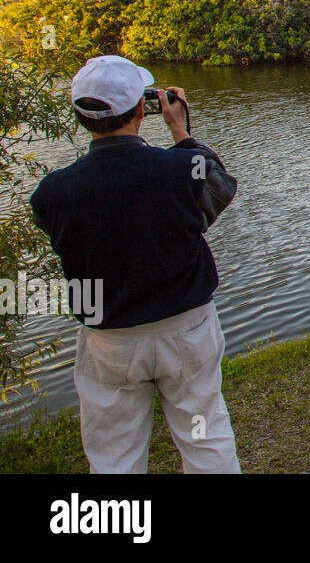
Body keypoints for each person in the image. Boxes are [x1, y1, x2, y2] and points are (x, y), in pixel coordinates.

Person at [29, 55, 240, 473]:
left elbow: (63, 236)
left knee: (113, 453)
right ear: (143, 108)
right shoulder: (180, 170)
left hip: (109, 341)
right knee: (204, 433)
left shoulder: (52, 192)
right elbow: (220, 191)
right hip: (187, 328)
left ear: (79, 116)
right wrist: (180, 131)